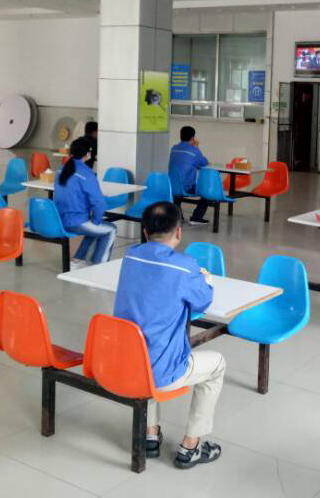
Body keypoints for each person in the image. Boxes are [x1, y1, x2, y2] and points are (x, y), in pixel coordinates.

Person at [113, 201, 225, 469]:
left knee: (146, 348)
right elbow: (202, 301)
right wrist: (206, 281)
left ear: (144, 232)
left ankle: (150, 435)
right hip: (161, 371)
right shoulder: (185, 266)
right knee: (218, 365)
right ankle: (191, 446)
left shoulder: (130, 256)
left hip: (127, 363)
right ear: (178, 232)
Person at [53, 138, 117, 267]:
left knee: (95, 227)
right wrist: (97, 220)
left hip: (58, 219)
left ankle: (77, 260)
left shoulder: (61, 169)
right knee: (110, 230)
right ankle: (100, 267)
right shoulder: (87, 174)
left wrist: (95, 221)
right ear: (88, 154)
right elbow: (99, 202)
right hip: (76, 222)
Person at [169, 126, 212, 226]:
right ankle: (197, 217)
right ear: (193, 138)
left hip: (171, 186)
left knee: (177, 191)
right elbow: (204, 164)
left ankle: (178, 216)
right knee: (208, 191)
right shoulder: (194, 151)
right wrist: (196, 147)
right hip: (187, 187)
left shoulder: (174, 148)